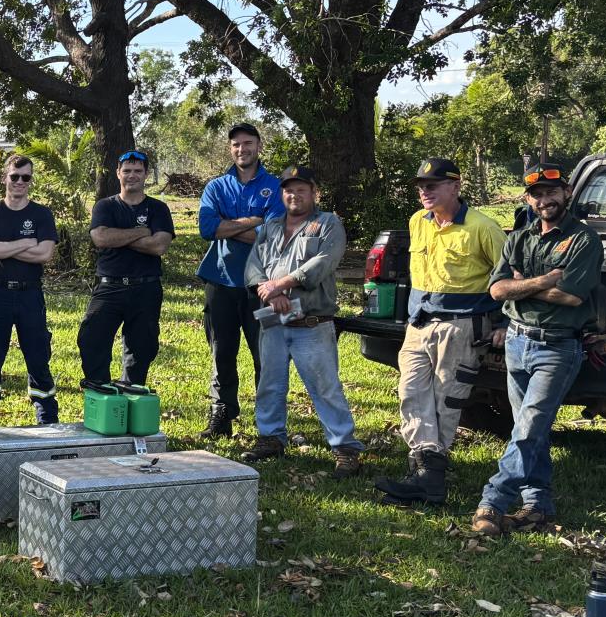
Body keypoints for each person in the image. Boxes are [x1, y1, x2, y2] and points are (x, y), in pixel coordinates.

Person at [470, 166, 603, 537]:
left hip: (558, 347)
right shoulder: (519, 238)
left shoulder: (584, 240)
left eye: (552, 192)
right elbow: (496, 289)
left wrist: (520, 285)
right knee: (530, 429)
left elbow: (571, 295)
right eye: (537, 194)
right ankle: (538, 506)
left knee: (528, 428)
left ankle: (493, 500)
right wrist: (544, 281)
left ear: (567, 193)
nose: (545, 200)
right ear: (528, 199)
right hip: (517, 341)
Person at [374, 158, 507, 506]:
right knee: (411, 392)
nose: (424, 191)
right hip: (419, 322)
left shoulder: (483, 227)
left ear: (455, 187)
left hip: (461, 325)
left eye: (432, 185)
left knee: (446, 399)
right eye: (421, 186)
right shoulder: (418, 221)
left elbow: (510, 276)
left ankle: (428, 478)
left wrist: (504, 323)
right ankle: (425, 470)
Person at [241, 166, 362, 476]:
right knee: (269, 384)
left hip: (312, 322)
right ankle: (270, 438)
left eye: (301, 190)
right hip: (274, 319)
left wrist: (280, 284)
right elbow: (254, 265)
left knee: (325, 387)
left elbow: (323, 262)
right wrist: (270, 293)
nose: (294, 195)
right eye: (288, 190)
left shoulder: (327, 224)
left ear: (313, 192)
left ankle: (345, 448)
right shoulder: (270, 227)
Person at [198, 123, 284, 437]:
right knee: (221, 353)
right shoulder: (216, 187)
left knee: (266, 356)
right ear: (230, 148)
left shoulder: (276, 187)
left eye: (248, 143)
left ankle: (268, 424)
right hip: (220, 280)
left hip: (263, 286)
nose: (241, 149)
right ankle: (221, 415)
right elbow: (207, 229)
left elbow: (273, 235)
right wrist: (254, 222)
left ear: (259, 146)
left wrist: (228, 226)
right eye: (236, 144)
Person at [0, 153, 59, 426]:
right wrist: (26, 242)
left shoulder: (41, 214)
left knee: (38, 356)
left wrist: (4, 247)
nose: (20, 181)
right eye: (15, 176)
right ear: (5, 178)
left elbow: (45, 254)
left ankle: (47, 421)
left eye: (26, 177)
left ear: (31, 180)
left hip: (30, 294)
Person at [77, 149, 173, 387]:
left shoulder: (158, 208)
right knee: (91, 339)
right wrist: (142, 232)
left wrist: (118, 237)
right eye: (127, 170)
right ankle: (100, 390)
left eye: (137, 171)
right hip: (110, 286)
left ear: (146, 174)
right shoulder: (105, 206)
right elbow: (100, 238)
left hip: (146, 288)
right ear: (118, 173)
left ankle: (131, 390)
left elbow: (159, 246)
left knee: (142, 348)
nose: (132, 175)